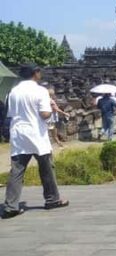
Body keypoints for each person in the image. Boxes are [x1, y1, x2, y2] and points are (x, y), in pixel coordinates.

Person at [2, 64, 69, 219]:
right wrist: (52, 110)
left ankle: (11, 206)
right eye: (39, 71)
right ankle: (52, 199)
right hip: (36, 134)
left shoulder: (13, 91)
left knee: (17, 171)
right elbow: (45, 114)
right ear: (35, 73)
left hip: (19, 133)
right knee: (46, 167)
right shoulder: (41, 91)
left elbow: (11, 113)